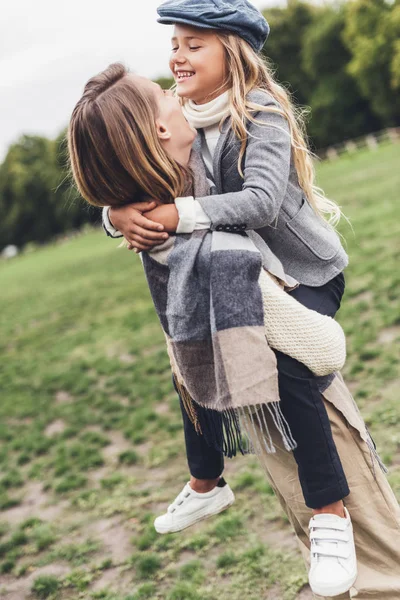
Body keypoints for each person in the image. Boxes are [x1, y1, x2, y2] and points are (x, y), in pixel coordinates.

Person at [69, 62, 356, 598]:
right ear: (158, 130)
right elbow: (122, 186)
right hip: (259, 280)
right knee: (189, 350)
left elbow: (261, 202)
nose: (171, 79)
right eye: (161, 93)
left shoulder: (234, 121)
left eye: (188, 47)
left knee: (291, 363)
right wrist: (116, 215)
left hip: (308, 273)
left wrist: (181, 214)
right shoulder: (168, 162)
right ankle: (206, 480)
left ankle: (331, 512)